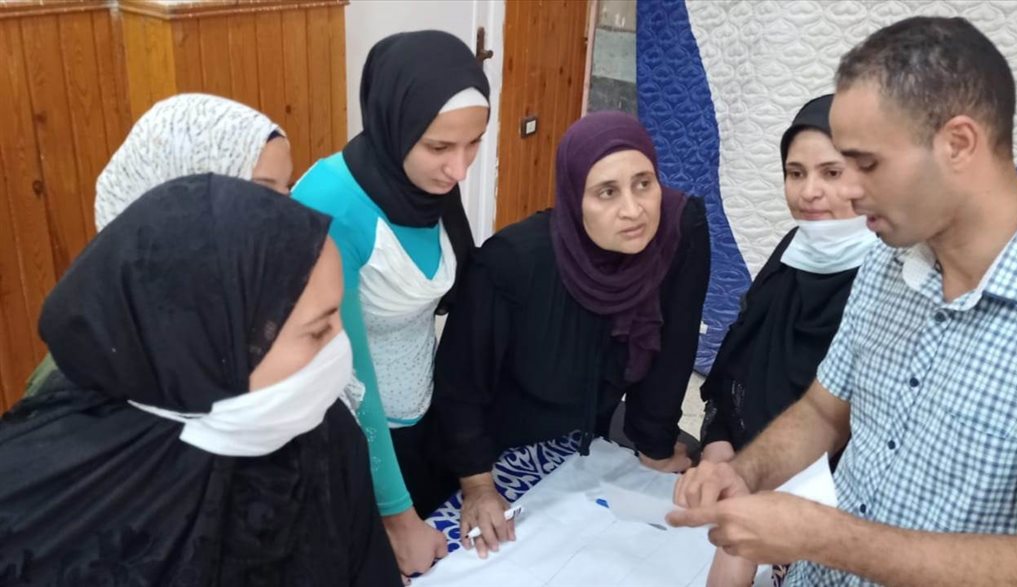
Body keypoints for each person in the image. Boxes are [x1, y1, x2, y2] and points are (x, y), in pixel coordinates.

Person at [668, 16, 1017, 586]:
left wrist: (820, 535)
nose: (847, 192)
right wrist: (745, 472)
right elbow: (823, 411)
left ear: (958, 144)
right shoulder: (888, 261)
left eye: (866, 164)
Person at [0, 174, 401, 585]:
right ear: (209, 347)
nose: (340, 346)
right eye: (318, 331)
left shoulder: (324, 432)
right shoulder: (35, 514)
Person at [434, 111, 711, 559]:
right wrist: (478, 486)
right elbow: (460, 385)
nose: (634, 210)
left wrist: (654, 445)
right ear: (573, 196)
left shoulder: (675, 233)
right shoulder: (512, 265)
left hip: (587, 442)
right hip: (498, 446)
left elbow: (674, 346)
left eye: (644, 183)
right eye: (607, 192)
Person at [292, 30, 488, 577]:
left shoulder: (427, 189)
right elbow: (351, 380)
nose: (460, 171)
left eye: (474, 143)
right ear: (393, 120)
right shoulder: (328, 205)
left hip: (421, 418)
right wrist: (398, 518)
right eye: (440, 148)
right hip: (356, 444)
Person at [699, 94, 873, 586]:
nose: (809, 192)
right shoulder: (795, 252)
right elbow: (739, 360)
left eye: (831, 172)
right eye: (795, 173)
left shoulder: (893, 284)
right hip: (759, 485)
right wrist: (719, 443)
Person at [23, 93, 291, 397]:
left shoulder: (236, 307)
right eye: (262, 193)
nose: (286, 214)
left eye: (286, 190)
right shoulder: (87, 373)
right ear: (181, 198)